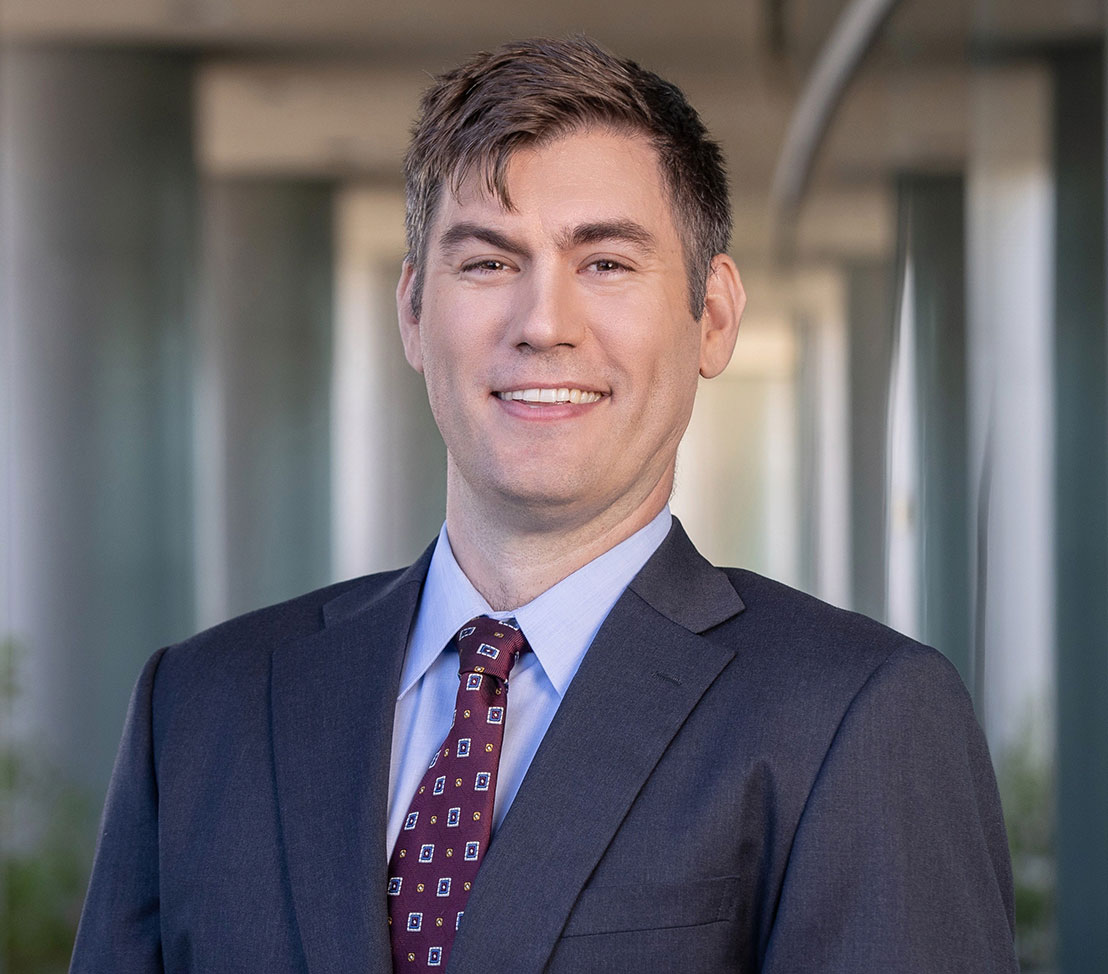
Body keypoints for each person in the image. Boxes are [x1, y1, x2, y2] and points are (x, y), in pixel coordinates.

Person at [70, 36, 1018, 974]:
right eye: (488, 263)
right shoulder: (198, 708)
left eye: (606, 263)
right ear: (413, 311)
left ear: (715, 317)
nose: (543, 324)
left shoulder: (857, 718)